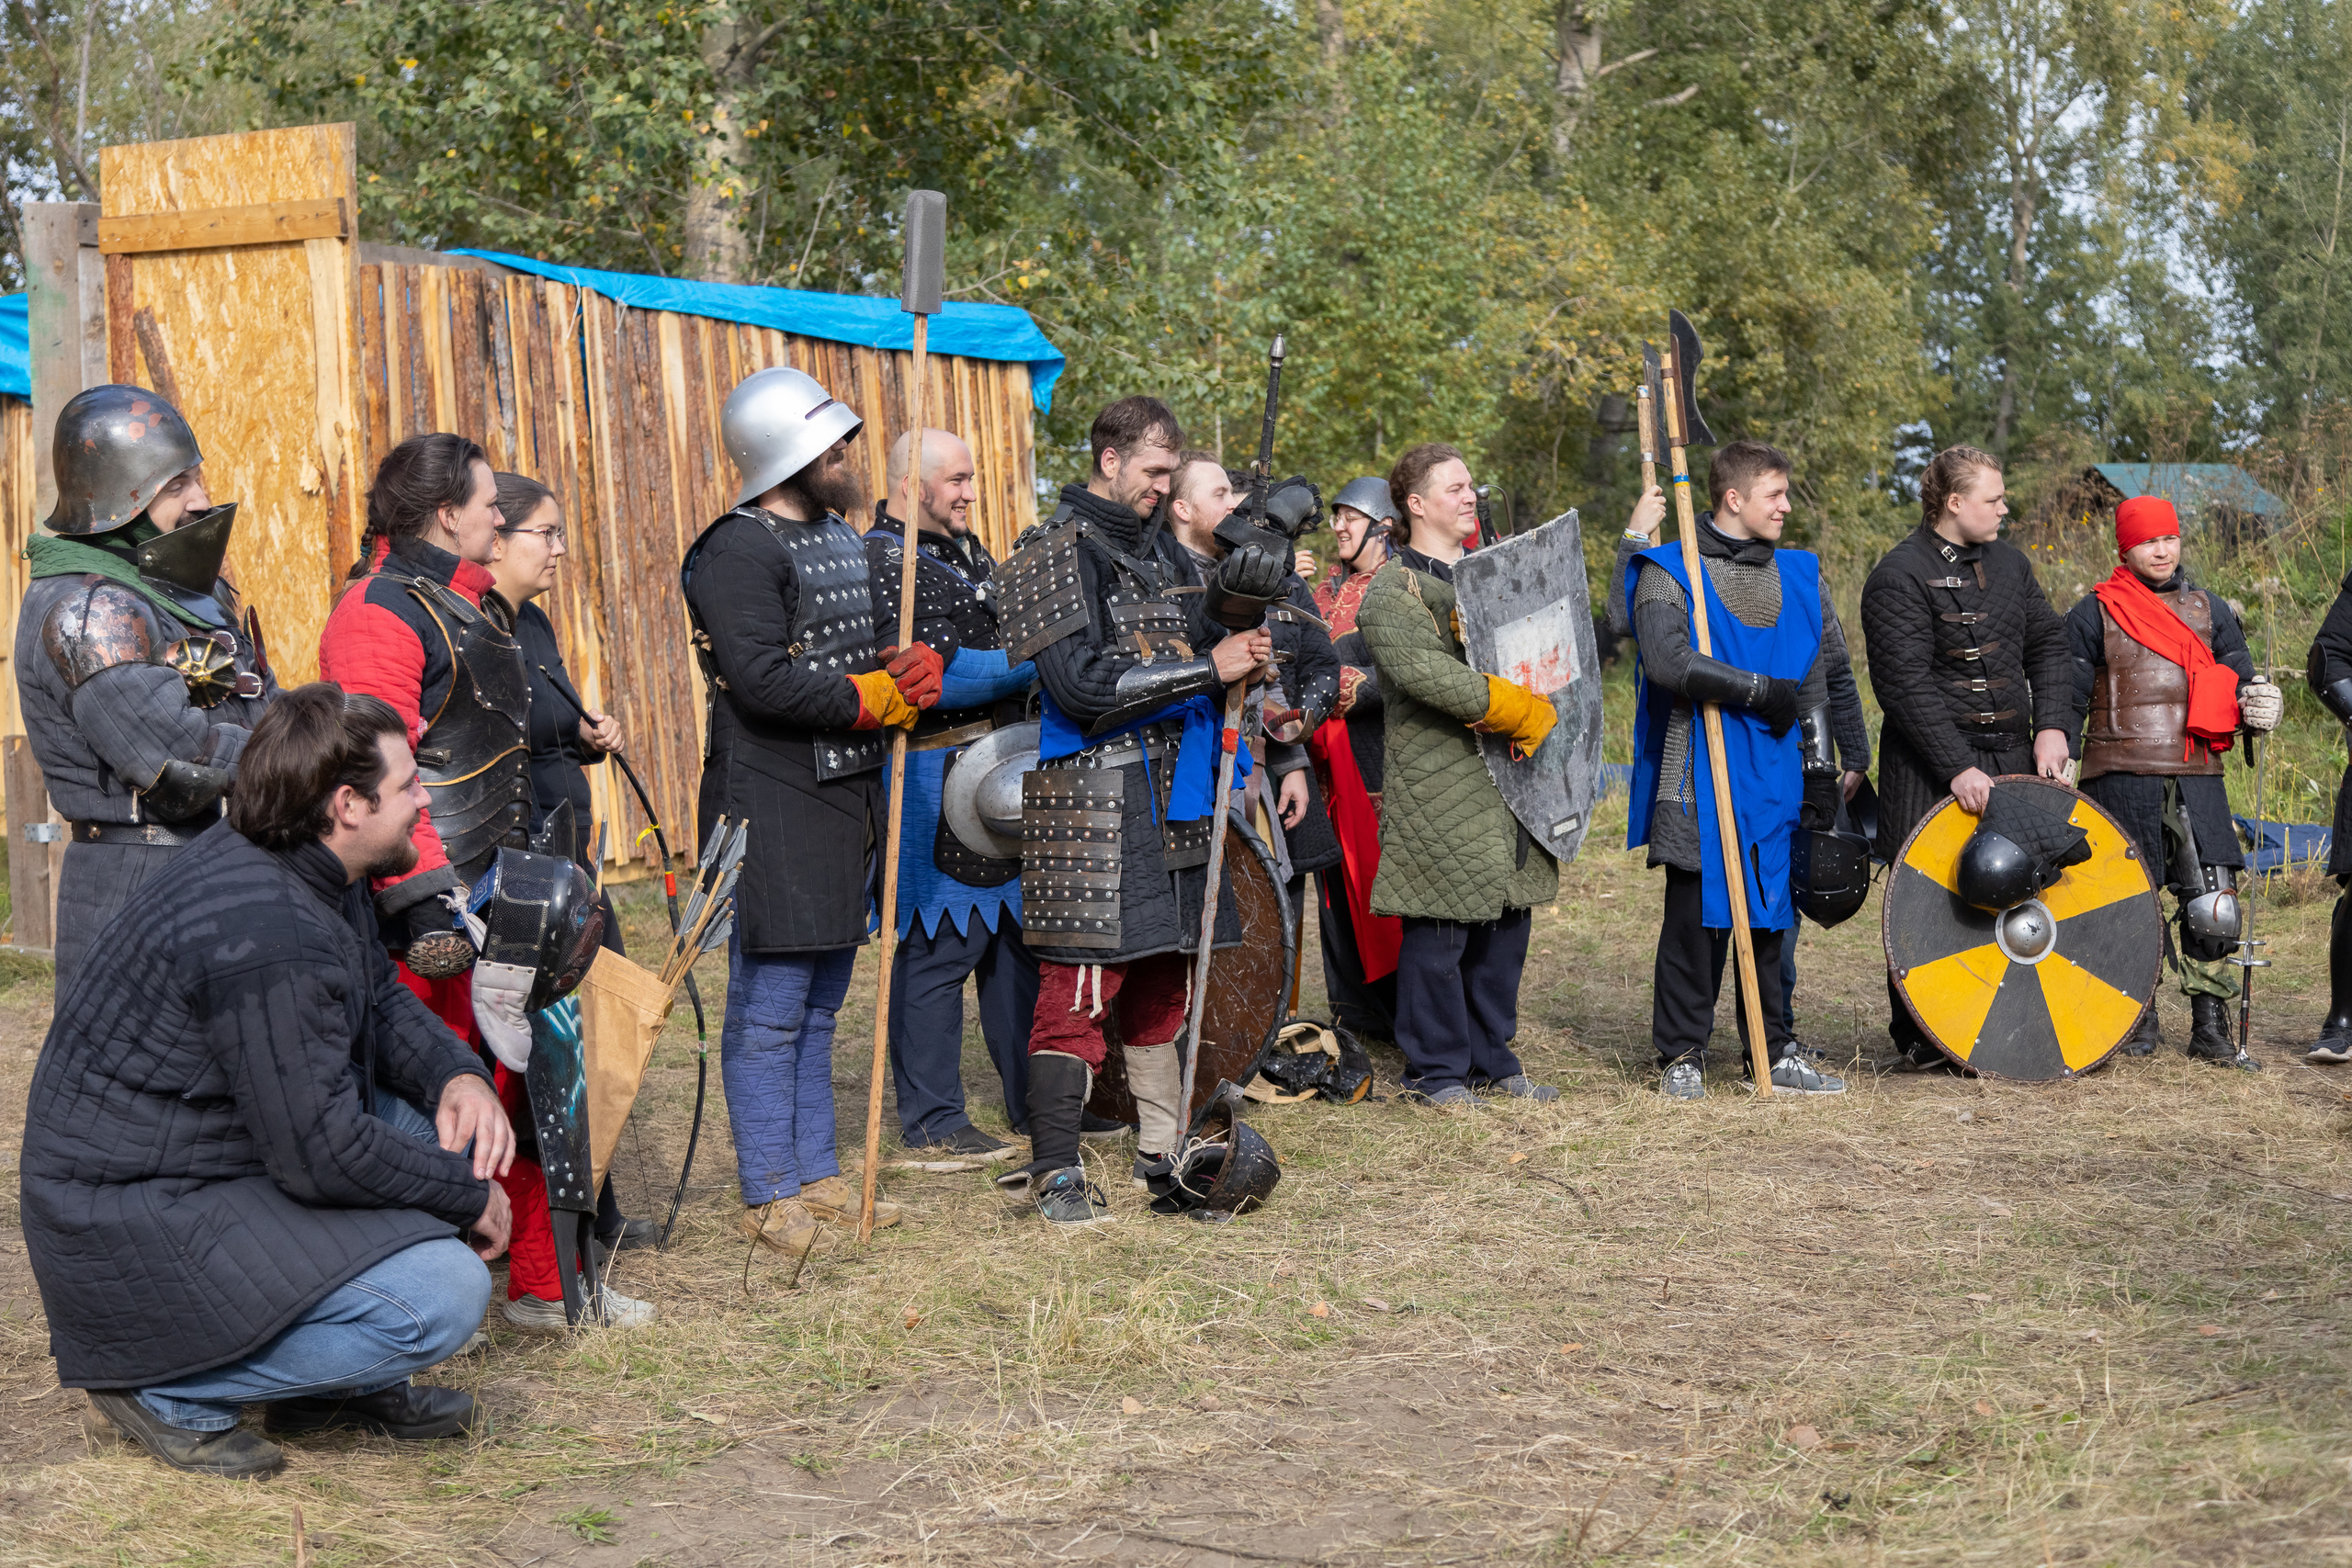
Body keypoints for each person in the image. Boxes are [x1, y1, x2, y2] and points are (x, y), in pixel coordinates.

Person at [20, 682, 513, 1479]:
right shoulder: (266, 925)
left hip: (217, 1154)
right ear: (347, 805)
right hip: (133, 1209)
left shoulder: (307, 865)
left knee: (450, 1130)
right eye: (408, 786)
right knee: (444, 1295)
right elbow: (321, 1152)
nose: (424, 802)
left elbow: (378, 993)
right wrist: (464, 1194)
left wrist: (458, 1075)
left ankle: (329, 1389)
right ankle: (164, 1385)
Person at [995, 396, 1283, 1223]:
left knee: (1164, 973)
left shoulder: (1159, 556)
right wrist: (1211, 668)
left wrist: (1244, 612)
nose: (1163, 485)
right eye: (1154, 470)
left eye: (1171, 472)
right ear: (1110, 459)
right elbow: (1079, 688)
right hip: (1090, 800)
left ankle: (1161, 1148)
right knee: (1078, 989)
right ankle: (1056, 1169)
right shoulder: (1049, 551)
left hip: (1172, 797)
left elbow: (1198, 638)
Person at [679, 367, 940, 1257]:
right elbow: (760, 679)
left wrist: (902, 669)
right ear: (784, 449)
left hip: (842, 793)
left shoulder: (835, 536)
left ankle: (817, 1174)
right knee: (772, 1006)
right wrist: (868, 698)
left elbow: (844, 654)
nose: (846, 456)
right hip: (772, 795)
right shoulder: (736, 550)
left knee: (823, 1002)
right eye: (832, 445)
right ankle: (767, 1190)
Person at [15, 385, 277, 992]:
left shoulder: (173, 589)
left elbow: (260, 701)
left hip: (216, 864)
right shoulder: (88, 608)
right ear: (119, 493)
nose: (201, 500)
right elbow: (177, 759)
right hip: (140, 881)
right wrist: (306, 755)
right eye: (176, 485)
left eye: (196, 479)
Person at [481, 473, 661, 1324]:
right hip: (520, 875)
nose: (558, 548)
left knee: (595, 1035)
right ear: (495, 537)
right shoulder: (477, 628)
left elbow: (545, 727)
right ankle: (539, 1249)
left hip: (570, 863)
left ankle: (597, 1214)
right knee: (545, 1060)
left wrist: (590, 735)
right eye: (544, 533)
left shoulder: (535, 624)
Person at [1623, 441, 1850, 1099]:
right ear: (1733, 498)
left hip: (1776, 769)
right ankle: (1682, 1054)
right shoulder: (1671, 570)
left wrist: (1822, 768)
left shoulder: (1800, 574)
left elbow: (1814, 678)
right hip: (1698, 764)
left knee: (1772, 912)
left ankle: (1772, 1049)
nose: (1786, 506)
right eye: (1775, 494)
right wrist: (1757, 690)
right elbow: (1667, 661)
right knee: (1695, 917)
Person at [1355, 443, 1562, 1108]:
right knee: (1441, 929)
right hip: (1438, 779)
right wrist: (1512, 706)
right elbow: (1424, 673)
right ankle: (1436, 1071)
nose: (1470, 496)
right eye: (1454, 488)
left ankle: (1491, 1059)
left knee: (1504, 924)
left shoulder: (1490, 576)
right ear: (1416, 504)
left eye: (1472, 485)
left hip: (1507, 776)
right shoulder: (1393, 590)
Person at [1860, 446, 2072, 1068]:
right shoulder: (1899, 575)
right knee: (1927, 901)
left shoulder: (2010, 564)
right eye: (1993, 499)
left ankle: (2008, 1028)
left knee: (2023, 888)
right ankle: (1926, 1038)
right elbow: (1903, 684)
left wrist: (2052, 727)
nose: (2005, 509)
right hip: (1930, 765)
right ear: (1954, 503)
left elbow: (2049, 643)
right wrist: (1955, 764)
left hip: (2011, 753)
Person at [865, 427, 1039, 1159]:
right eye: (958, 479)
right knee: (941, 947)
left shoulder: (965, 553)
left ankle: (1037, 1104)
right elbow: (939, 679)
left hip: (1000, 769)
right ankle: (934, 1121)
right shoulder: (884, 563)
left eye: (971, 477)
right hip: (933, 778)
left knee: (1016, 944)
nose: (971, 491)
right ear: (914, 486)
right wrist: (1039, 658)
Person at [2064, 497, 2279, 1067]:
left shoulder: (2211, 610)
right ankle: (2136, 1015)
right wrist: (2058, 750)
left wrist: (2256, 702)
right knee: (2127, 900)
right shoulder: (2092, 613)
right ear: (2124, 549)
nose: (2161, 551)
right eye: (2147, 542)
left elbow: (2239, 678)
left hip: (2196, 771)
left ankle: (2209, 1024)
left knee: (2214, 903)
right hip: (2117, 771)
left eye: (2169, 539)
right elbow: (2066, 695)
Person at [319, 434, 528, 1007]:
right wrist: (426, 902)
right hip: (425, 915)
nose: (501, 519)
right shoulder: (379, 612)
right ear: (449, 515)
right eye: (490, 505)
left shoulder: (461, 603)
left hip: (485, 891)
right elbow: (376, 775)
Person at [1166, 454, 1341, 933]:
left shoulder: (1254, 575)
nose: (1234, 506)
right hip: (1181, 773)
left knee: (1266, 916)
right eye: (1220, 494)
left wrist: (1292, 760)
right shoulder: (1160, 575)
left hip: (1251, 767)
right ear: (1182, 508)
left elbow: (1275, 682)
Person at [1308, 477, 1404, 1040]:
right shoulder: (1321, 591)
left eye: (1350, 516)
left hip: (1379, 759)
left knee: (1383, 888)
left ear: (1383, 525)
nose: (1338, 526)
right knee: (1335, 889)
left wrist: (1347, 687)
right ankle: (1354, 1013)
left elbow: (1410, 669)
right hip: (1322, 768)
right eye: (1336, 516)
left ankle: (1402, 1011)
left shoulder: (1399, 586)